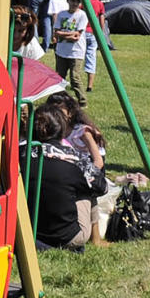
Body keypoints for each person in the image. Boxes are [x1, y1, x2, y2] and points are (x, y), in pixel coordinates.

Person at [30, 105, 104, 250]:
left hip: (30, 231)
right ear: (62, 130)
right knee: (89, 185)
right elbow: (101, 186)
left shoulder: (21, 155)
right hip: (69, 237)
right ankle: (96, 239)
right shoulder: (73, 158)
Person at [52, 0, 89, 104]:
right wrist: (68, 35)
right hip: (61, 51)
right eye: (73, 1)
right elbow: (56, 32)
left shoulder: (82, 15)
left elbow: (77, 36)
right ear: (68, 1)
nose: (75, 4)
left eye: (77, 1)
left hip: (76, 52)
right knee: (59, 77)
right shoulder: (62, 14)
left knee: (75, 77)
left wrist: (62, 34)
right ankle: (58, 99)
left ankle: (82, 101)